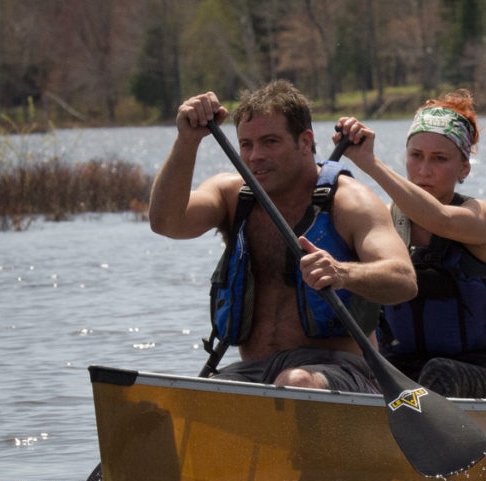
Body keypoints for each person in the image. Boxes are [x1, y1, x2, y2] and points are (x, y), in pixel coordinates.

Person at [148, 80, 417, 392]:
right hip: (254, 371)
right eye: (246, 144)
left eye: (270, 142)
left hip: (341, 370)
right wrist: (187, 140)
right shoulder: (232, 195)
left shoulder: (350, 202)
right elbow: (166, 222)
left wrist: (342, 273)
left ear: (304, 142)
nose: (255, 155)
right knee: (195, 398)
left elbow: (404, 280)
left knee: (295, 381)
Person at [333, 89, 486, 398]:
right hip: (400, 373)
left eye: (439, 159)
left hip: (480, 375)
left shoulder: (485, 217)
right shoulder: (382, 221)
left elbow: (440, 219)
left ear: (464, 169)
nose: (423, 170)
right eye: (416, 156)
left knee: (438, 373)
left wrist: (369, 162)